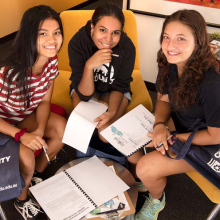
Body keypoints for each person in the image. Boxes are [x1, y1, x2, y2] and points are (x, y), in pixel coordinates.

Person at [135, 9, 220, 220]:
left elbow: (215, 136)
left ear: (198, 42)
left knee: (144, 168)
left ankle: (156, 199)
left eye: (180, 39)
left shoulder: (212, 81)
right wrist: (159, 126)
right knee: (135, 138)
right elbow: (163, 99)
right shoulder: (168, 62)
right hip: (183, 124)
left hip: (208, 142)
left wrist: (170, 138)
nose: (170, 46)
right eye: (166, 37)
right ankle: (153, 176)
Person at [0, 5, 66, 220]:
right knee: (26, 157)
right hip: (3, 125)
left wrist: (38, 129)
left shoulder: (51, 60)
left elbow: (45, 100)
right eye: (43, 33)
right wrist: (21, 135)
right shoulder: (8, 73)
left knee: (63, 130)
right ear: (29, 36)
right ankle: (21, 198)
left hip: (20, 117)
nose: (52, 39)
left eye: (57, 32)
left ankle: (32, 177)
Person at [68, 2, 144, 185]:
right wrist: (89, 65)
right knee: (86, 125)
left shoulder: (127, 47)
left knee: (105, 132)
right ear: (92, 27)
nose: (108, 39)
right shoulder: (77, 42)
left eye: (115, 32)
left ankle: (137, 170)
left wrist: (111, 112)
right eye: (102, 30)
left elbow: (120, 86)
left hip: (115, 91)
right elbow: (84, 95)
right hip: (84, 88)